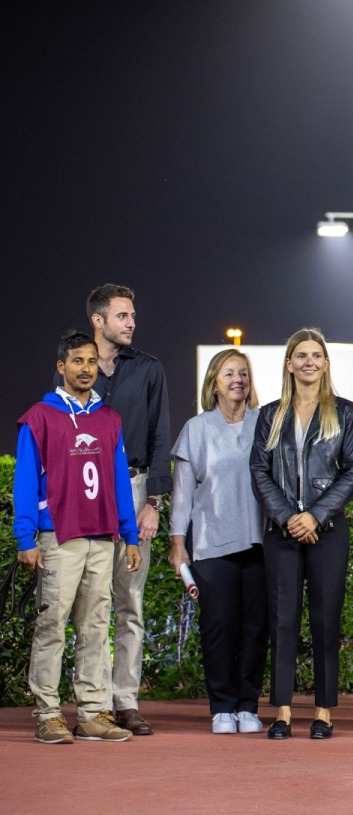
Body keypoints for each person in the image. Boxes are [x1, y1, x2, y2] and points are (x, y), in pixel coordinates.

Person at [14, 331, 141, 743]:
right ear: (61, 366)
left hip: (102, 537)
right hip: (59, 537)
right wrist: (25, 538)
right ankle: (48, 714)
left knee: (95, 627)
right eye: (77, 361)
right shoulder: (39, 417)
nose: (86, 369)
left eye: (91, 361)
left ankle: (91, 713)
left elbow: (119, 482)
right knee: (51, 626)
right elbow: (24, 480)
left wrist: (130, 534)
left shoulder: (109, 419)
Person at [250, 328, 353, 740]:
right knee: (282, 622)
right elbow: (259, 470)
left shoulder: (345, 413)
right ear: (289, 364)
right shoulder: (270, 414)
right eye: (301, 355)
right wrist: (288, 517)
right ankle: (281, 711)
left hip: (327, 531)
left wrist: (314, 515)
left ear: (326, 363)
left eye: (316, 355)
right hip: (281, 532)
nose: (309, 361)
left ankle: (323, 712)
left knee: (325, 622)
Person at [74, 284, 171, 736]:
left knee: (129, 602)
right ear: (98, 320)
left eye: (132, 315)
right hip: (85, 492)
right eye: (122, 315)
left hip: (133, 490)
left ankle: (126, 701)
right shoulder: (74, 367)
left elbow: (160, 437)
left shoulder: (149, 369)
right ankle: (92, 704)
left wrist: (153, 503)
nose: (131, 322)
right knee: (91, 604)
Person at [169, 349, 268, 735]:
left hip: (260, 542)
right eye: (228, 373)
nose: (237, 380)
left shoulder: (264, 423)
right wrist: (178, 544)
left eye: (243, 373)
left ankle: (248, 706)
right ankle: (222, 706)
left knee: (255, 629)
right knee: (218, 628)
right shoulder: (196, 429)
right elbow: (182, 496)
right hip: (212, 544)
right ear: (213, 382)